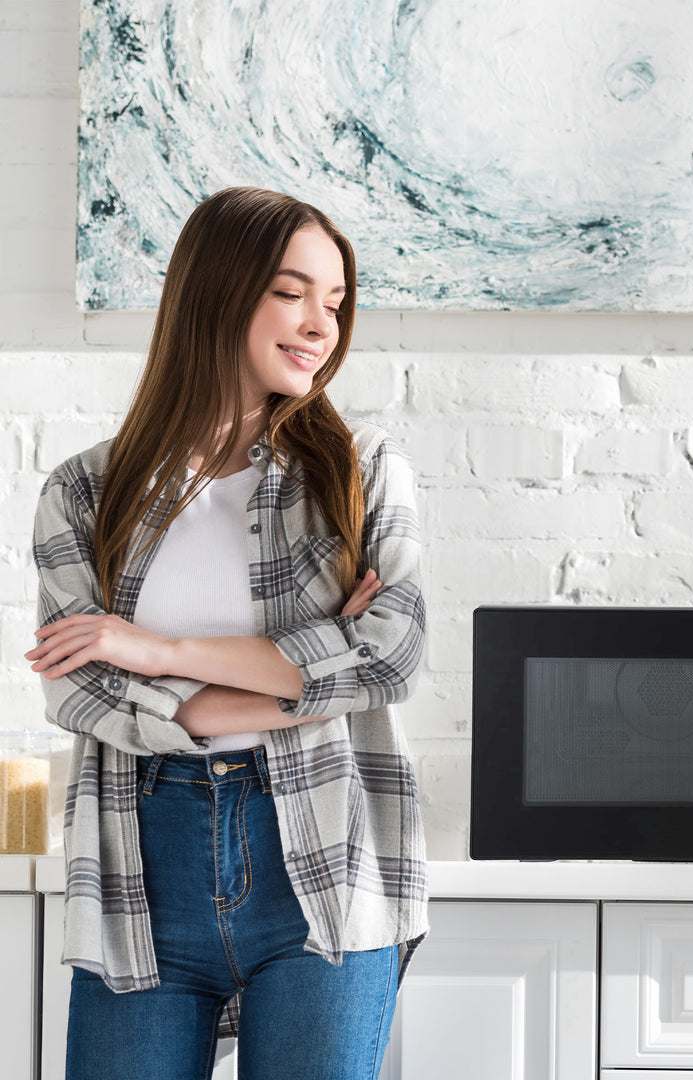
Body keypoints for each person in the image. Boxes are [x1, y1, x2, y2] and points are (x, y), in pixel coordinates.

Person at [26, 186, 428, 1080]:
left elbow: (390, 654)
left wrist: (152, 652)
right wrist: (299, 684)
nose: (322, 325)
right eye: (294, 293)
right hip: (143, 867)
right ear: (219, 290)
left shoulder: (361, 471)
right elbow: (79, 689)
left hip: (321, 860)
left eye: (335, 302)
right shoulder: (85, 493)